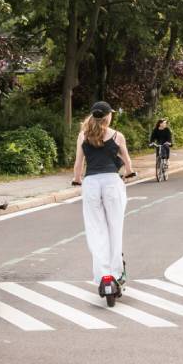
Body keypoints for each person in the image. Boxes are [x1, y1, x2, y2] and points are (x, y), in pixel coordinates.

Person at [72, 102, 134, 297]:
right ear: (108, 117)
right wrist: (130, 173)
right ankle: (116, 275)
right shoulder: (117, 136)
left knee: (96, 230)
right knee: (115, 229)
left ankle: (103, 276)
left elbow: (78, 163)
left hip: (91, 183)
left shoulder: (83, 135)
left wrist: (76, 179)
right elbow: (127, 161)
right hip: (111, 183)